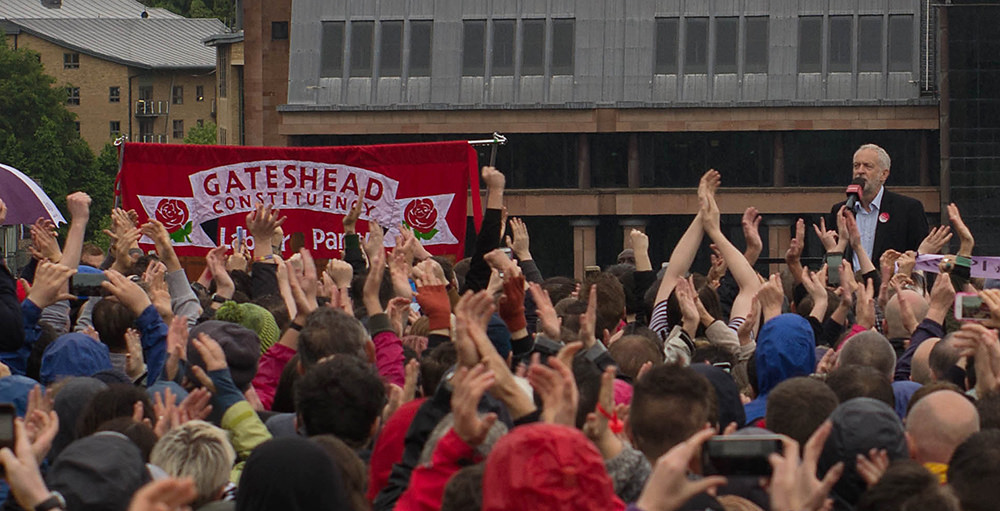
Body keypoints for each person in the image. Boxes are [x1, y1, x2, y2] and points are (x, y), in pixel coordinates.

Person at [828, 144, 928, 269]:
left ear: (884, 174)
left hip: (891, 285)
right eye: (856, 166)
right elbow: (833, 268)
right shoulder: (841, 211)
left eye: (867, 166)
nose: (860, 171)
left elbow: (921, 259)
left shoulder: (908, 209)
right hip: (850, 285)